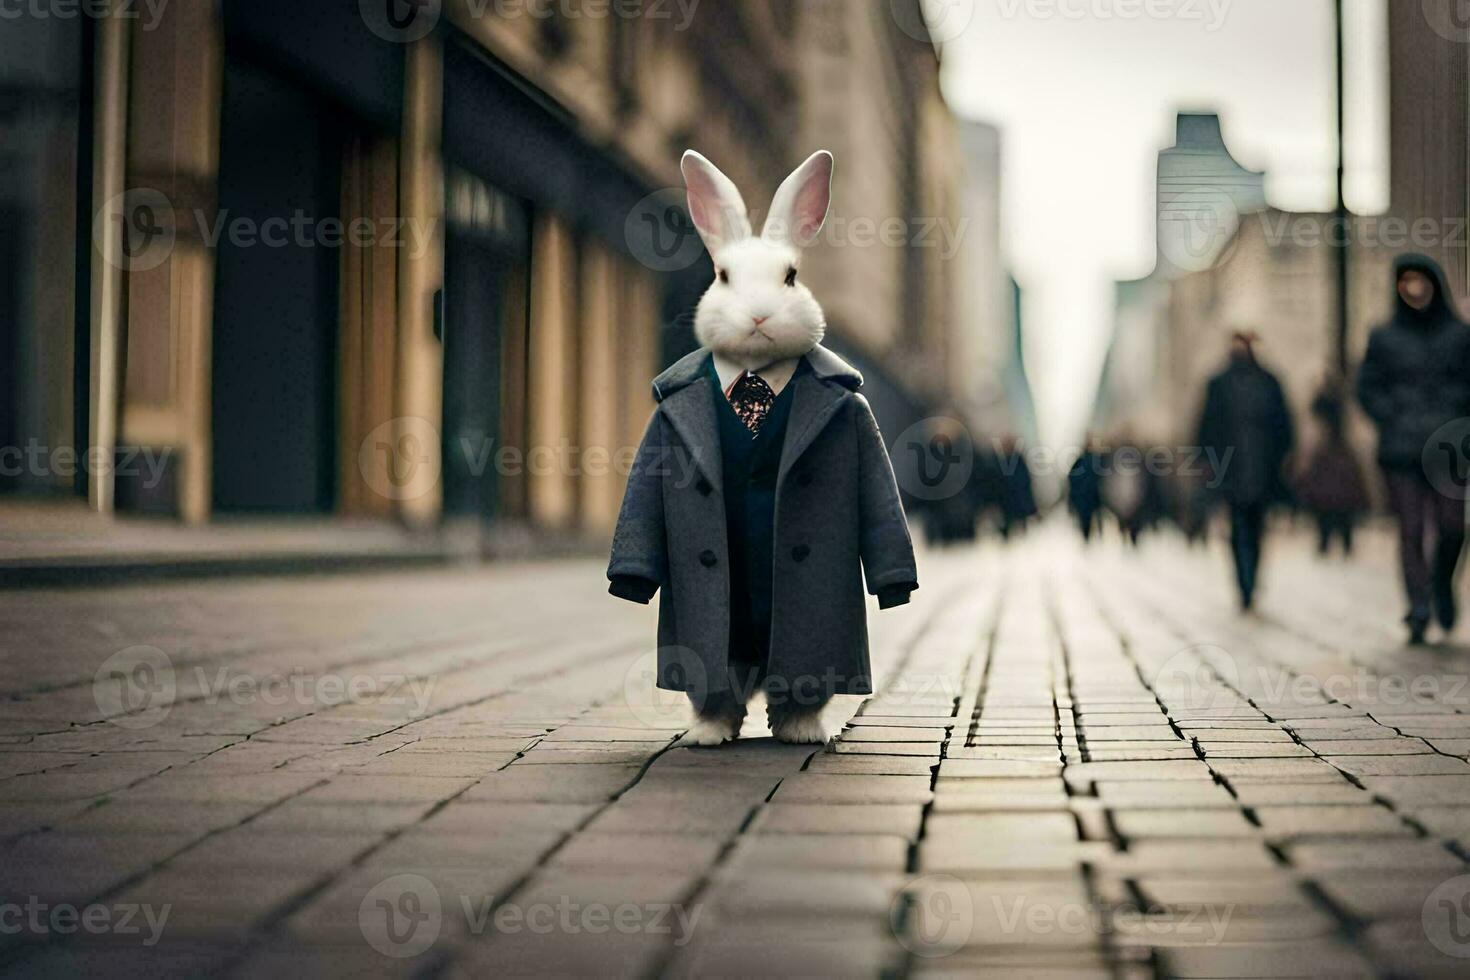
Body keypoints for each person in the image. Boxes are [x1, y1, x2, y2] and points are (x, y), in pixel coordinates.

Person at [1357, 254, 1470, 645]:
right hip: (1401, 449)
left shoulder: (1460, 335)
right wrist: (1391, 414)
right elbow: (1367, 386)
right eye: (1405, 281)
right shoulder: (1383, 336)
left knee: (1454, 527)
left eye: (1419, 280)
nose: (1414, 289)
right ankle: (1419, 607)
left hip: (1450, 449)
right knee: (1411, 529)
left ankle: (1441, 586)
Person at [1196, 331, 1295, 610]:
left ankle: (1253, 578)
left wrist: (1285, 458)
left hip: (1264, 469)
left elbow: (1285, 425)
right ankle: (1244, 583)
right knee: (1238, 527)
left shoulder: (1269, 382)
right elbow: (1206, 426)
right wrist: (1206, 461)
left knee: (1258, 527)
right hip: (1232, 469)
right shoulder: (1218, 384)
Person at [1294, 379, 1370, 557]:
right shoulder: (1325, 447)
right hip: (1333, 459)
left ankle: (1336, 540)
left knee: (1336, 498)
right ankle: (1333, 539)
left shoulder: (1337, 446)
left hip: (1336, 458)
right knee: (1330, 499)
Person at [1067, 439, 1106, 543]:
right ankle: (1096, 536)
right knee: (1096, 516)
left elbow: (1072, 479)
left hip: (1086, 496)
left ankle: (1088, 538)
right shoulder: (1097, 460)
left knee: (1087, 519)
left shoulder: (1080, 461)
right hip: (1092, 495)